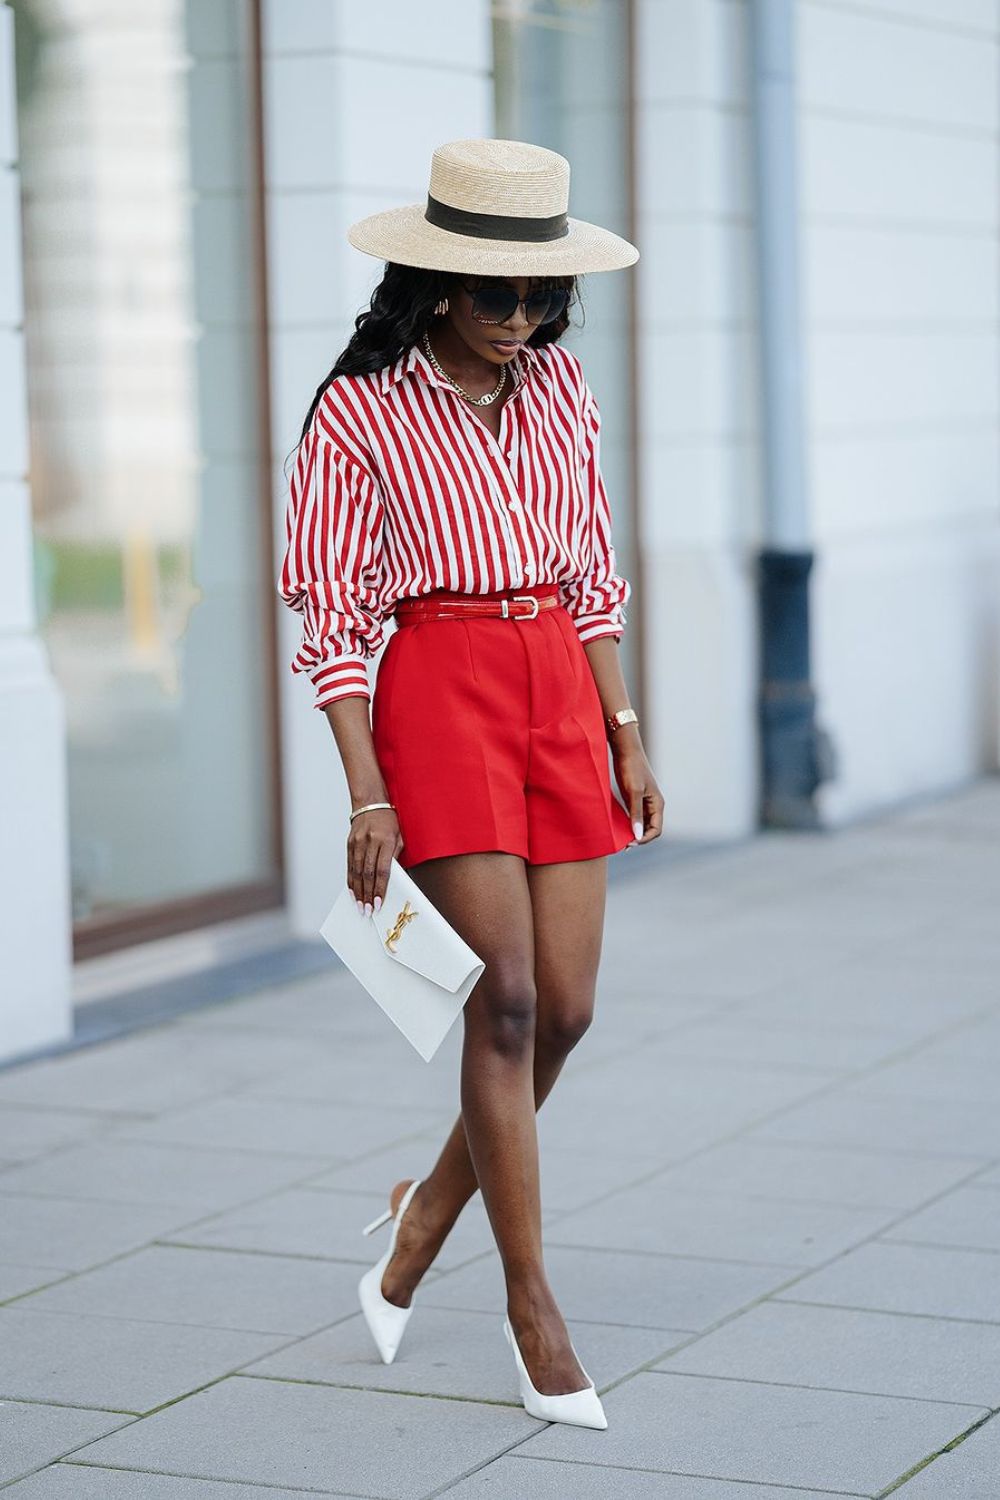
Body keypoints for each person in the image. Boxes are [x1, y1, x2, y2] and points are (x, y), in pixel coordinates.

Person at [277, 138, 664, 1429]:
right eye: (497, 296)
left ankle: (425, 1213)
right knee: (501, 1002)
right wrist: (365, 791)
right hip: (439, 691)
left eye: (542, 297)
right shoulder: (360, 410)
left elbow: (591, 567)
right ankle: (531, 1306)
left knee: (568, 1009)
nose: (520, 320)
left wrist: (624, 728)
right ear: (435, 282)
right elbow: (331, 615)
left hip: (559, 684)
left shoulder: (559, 386)